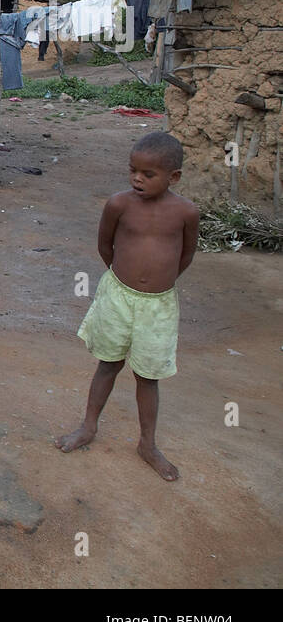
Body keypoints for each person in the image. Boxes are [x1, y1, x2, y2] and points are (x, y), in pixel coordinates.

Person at [55, 132, 198, 480]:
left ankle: (147, 444)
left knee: (148, 377)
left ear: (173, 177)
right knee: (108, 364)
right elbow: (105, 245)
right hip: (117, 297)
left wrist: (156, 283)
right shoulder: (119, 205)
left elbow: (185, 255)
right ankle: (88, 427)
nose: (137, 178)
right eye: (133, 170)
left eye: (148, 174)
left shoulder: (185, 212)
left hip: (158, 306)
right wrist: (125, 279)